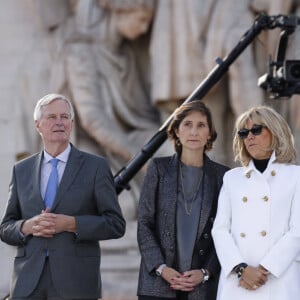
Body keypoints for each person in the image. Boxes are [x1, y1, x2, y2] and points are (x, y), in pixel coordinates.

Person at [0, 93, 126, 300]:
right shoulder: (21, 170)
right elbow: (6, 228)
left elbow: (115, 224)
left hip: (76, 282)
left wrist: (71, 224)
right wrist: (27, 226)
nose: (59, 122)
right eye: (51, 117)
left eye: (65, 117)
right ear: (37, 125)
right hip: (28, 282)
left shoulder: (96, 167)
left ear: (72, 123)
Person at [137, 100, 229, 300]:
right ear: (177, 131)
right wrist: (161, 268)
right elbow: (144, 223)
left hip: (202, 287)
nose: (194, 132)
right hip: (157, 284)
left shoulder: (224, 176)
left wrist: (206, 272)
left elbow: (227, 231)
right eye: (187, 124)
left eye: (201, 125)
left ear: (209, 133)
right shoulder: (158, 169)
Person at [212, 106, 300, 300]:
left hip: (279, 281)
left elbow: (297, 231)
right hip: (237, 283)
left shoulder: (296, 176)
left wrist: (265, 269)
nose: (249, 137)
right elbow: (219, 229)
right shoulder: (231, 178)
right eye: (243, 132)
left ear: (275, 131)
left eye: (256, 130)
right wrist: (242, 269)